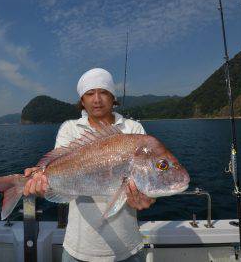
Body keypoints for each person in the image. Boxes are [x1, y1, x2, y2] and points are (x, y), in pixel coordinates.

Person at [23, 68, 155, 261]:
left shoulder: (133, 129)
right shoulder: (70, 129)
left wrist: (148, 198)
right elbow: (56, 178)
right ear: (82, 101)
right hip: (78, 248)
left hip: (127, 248)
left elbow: (147, 182)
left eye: (103, 92)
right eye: (90, 93)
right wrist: (40, 183)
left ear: (113, 97)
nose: (97, 99)